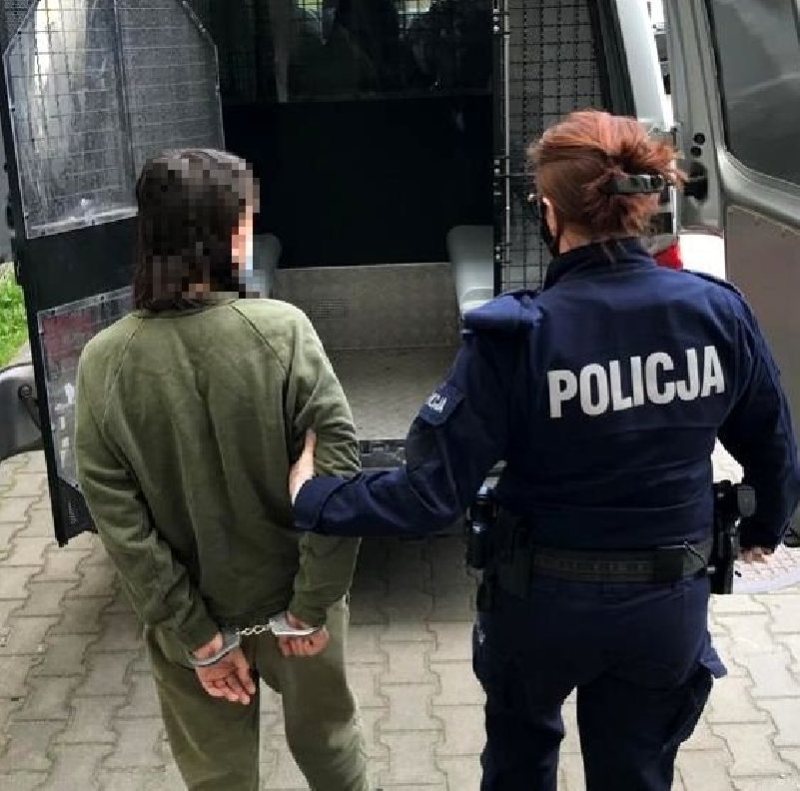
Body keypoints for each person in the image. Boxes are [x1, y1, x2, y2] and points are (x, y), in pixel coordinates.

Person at [287, 110, 800, 790]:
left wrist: (315, 497)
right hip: (666, 607)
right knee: (637, 772)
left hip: (540, 607)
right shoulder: (716, 312)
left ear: (550, 213)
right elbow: (773, 445)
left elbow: (429, 495)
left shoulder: (515, 338)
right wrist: (765, 529)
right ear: (641, 203)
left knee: (520, 765)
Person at [75, 149, 369, 791]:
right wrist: (311, 607)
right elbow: (338, 466)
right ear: (230, 233)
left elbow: (119, 522)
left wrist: (200, 639)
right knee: (332, 751)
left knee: (218, 777)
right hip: (297, 612)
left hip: (193, 622)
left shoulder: (104, 362)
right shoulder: (283, 332)